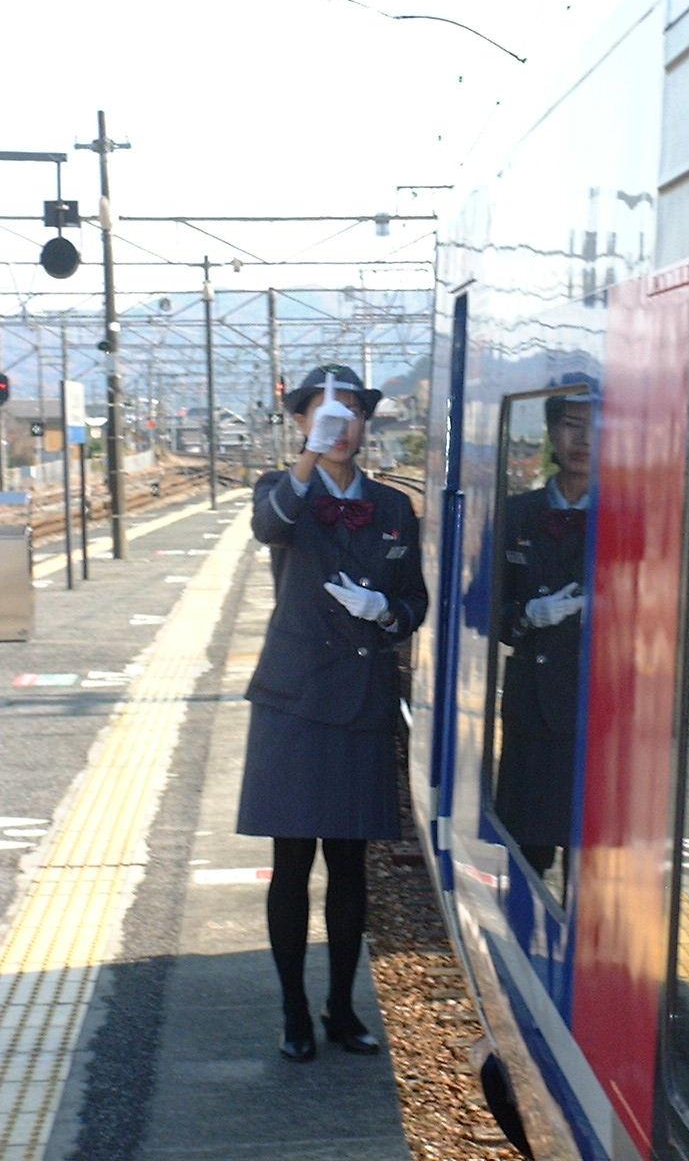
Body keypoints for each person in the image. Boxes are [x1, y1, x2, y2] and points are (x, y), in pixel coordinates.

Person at [237, 363, 427, 1061]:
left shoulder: (392, 507)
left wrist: (387, 612)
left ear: (367, 424)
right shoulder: (282, 492)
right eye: (323, 413)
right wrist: (309, 458)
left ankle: (342, 1008)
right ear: (300, 423)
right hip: (293, 701)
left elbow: (415, 601)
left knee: (351, 867)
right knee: (293, 864)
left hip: (363, 701)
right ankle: (293, 1012)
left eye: (350, 412)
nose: (340, 423)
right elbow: (269, 525)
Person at [495, 383, 594, 899]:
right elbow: (484, 611)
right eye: (571, 424)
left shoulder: (631, 517)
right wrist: (530, 616)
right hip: (532, 707)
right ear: (552, 432)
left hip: (601, 711)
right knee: (526, 854)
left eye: (597, 424)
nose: (584, 438)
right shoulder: (517, 515)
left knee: (593, 862)